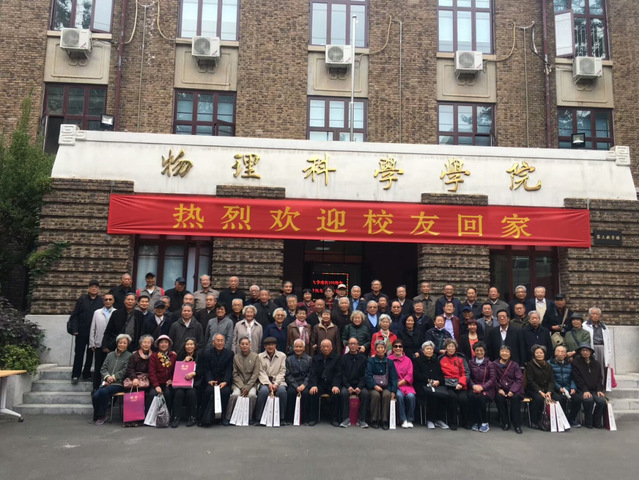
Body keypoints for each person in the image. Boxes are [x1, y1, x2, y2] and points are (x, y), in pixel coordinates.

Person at [91, 334, 132, 425]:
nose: (122, 345)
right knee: (95, 394)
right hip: (106, 382)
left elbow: (125, 370)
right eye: (120, 342)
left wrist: (113, 377)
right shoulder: (110, 355)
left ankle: (102, 415)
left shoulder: (129, 356)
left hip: (119, 384)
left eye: (124, 343)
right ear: (117, 343)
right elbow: (103, 368)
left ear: (127, 344)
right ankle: (96, 416)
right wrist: (107, 377)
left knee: (103, 392)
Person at [69, 279, 104, 384]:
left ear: (98, 289)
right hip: (81, 332)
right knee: (79, 354)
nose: (94, 289)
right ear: (88, 289)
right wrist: (75, 329)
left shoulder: (101, 301)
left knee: (90, 355)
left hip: (94, 333)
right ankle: (75, 375)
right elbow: (75, 315)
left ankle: (86, 374)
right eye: (92, 287)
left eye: (96, 287)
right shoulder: (82, 300)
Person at [413, 341, 450, 429]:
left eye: (431, 349)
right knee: (433, 396)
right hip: (422, 385)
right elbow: (417, 375)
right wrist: (429, 380)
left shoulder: (436, 361)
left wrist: (438, 381)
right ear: (423, 350)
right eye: (427, 349)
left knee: (444, 395)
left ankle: (439, 420)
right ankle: (430, 419)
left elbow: (441, 375)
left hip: (436, 385)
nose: (429, 351)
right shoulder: (417, 361)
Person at [199, 334, 234, 426]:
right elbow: (207, 369)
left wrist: (225, 381)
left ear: (224, 342)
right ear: (213, 342)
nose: (220, 343)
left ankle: (221, 417)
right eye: (218, 341)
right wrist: (210, 380)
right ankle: (204, 417)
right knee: (208, 391)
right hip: (211, 381)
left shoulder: (229, 354)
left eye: (221, 341)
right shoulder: (207, 353)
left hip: (223, 381)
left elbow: (229, 370)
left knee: (225, 392)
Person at [524, 344, 560, 429]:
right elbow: (530, 381)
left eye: (541, 353)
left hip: (546, 390)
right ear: (534, 354)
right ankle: (534, 421)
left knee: (558, 398)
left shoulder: (549, 366)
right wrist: (539, 391)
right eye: (537, 353)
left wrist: (549, 391)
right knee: (538, 399)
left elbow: (552, 380)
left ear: (544, 354)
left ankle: (554, 421)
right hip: (533, 390)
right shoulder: (530, 365)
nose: (539, 354)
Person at [226, 336, 260, 425]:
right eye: (242, 344)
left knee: (252, 395)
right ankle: (228, 417)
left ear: (250, 345)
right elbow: (235, 373)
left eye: (246, 344)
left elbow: (255, 373)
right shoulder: (236, 357)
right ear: (239, 345)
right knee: (235, 395)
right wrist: (242, 387)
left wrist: (247, 387)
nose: (244, 346)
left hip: (251, 384)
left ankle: (249, 417)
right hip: (238, 384)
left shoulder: (255, 356)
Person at [365, 339, 398, 430]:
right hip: (373, 387)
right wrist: (374, 386)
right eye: (378, 348)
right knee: (375, 395)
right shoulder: (371, 361)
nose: (380, 350)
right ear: (375, 350)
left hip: (386, 386)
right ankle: (374, 420)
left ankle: (385, 420)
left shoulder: (389, 362)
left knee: (387, 395)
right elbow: (368, 375)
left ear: (385, 349)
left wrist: (393, 391)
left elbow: (394, 378)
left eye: (382, 348)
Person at [572, 343, 606, 429]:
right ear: (580, 352)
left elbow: (600, 378)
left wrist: (599, 390)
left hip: (595, 389)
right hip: (582, 389)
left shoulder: (596, 363)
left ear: (591, 352)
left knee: (601, 401)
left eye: (587, 350)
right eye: (583, 350)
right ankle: (588, 421)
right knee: (588, 400)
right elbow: (577, 379)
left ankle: (596, 420)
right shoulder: (576, 363)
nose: (585, 352)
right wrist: (585, 390)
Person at [308, 339, 342, 426]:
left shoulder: (337, 358)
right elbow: (313, 373)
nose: (326, 348)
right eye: (324, 347)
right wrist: (314, 385)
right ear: (321, 348)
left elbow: (338, 373)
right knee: (313, 392)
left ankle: (334, 419)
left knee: (336, 394)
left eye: (327, 347)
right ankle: (313, 418)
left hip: (331, 384)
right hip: (320, 384)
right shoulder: (316, 358)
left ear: (331, 348)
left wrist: (335, 385)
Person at [255, 337, 287, 425]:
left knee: (282, 391)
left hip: (279, 381)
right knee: (263, 391)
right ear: (265, 346)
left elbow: (282, 371)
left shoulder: (282, 356)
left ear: (275, 346)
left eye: (272, 344)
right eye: (268, 345)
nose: (270, 347)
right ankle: (259, 418)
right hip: (265, 381)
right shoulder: (259, 356)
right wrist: (268, 383)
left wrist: (276, 383)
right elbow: (260, 371)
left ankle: (282, 418)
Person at [439, 338, 470, 430]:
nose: (451, 348)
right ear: (446, 348)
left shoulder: (461, 358)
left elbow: (466, 372)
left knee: (463, 399)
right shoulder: (441, 359)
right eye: (449, 346)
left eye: (453, 346)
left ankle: (465, 422)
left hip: (460, 384)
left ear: (456, 348)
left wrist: (461, 383)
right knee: (452, 398)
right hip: (447, 385)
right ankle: (452, 422)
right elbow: (439, 374)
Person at [493, 345, 524, 434]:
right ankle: (505, 422)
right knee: (499, 397)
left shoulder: (515, 365)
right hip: (501, 389)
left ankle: (517, 425)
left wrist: (512, 390)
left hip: (514, 389)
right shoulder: (494, 364)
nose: (504, 353)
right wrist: (499, 389)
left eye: (507, 352)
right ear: (499, 353)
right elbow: (493, 378)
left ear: (510, 354)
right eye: (502, 351)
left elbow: (519, 379)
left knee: (515, 398)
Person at [339, 337, 369, 428]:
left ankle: (362, 419)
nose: (352, 345)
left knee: (365, 394)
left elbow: (365, 375)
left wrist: (359, 387)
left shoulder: (363, 358)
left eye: (354, 344)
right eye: (350, 344)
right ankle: (345, 419)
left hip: (359, 384)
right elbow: (342, 375)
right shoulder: (343, 358)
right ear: (348, 345)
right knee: (343, 393)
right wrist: (348, 386)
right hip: (347, 384)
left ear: (358, 345)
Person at [549, 345, 581, 427]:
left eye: (562, 352)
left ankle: (571, 419)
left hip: (568, 388)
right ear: (555, 353)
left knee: (577, 399)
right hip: (555, 389)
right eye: (558, 351)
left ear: (566, 354)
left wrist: (573, 387)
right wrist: (558, 388)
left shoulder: (570, 364)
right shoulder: (549, 363)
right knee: (561, 399)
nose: (560, 354)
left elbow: (573, 377)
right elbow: (550, 379)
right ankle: (562, 420)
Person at [171, 338, 200, 428]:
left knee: (191, 393)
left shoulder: (199, 356)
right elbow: (176, 370)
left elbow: (203, 370)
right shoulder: (180, 356)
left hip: (194, 383)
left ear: (195, 346)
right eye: (187, 344)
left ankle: (192, 417)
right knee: (179, 393)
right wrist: (183, 362)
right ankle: (176, 417)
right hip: (181, 383)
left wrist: (194, 373)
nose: (189, 346)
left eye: (191, 344)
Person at [124, 334, 153, 422]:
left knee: (149, 392)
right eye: (144, 342)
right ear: (140, 344)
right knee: (132, 391)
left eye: (148, 342)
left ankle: (143, 417)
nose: (146, 344)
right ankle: (131, 418)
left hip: (148, 379)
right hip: (135, 378)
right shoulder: (134, 355)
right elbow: (130, 368)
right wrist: (134, 378)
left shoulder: (153, 355)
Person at [89, 293, 115, 391]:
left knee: (110, 368)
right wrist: (92, 343)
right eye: (106, 299)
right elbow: (93, 328)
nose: (108, 301)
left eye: (110, 299)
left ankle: (107, 388)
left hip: (111, 346)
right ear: (103, 301)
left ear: (113, 301)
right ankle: (95, 388)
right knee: (98, 367)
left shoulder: (116, 312)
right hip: (99, 344)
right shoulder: (97, 312)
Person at [468, 342, 495, 432]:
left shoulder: (490, 364)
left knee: (481, 398)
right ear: (474, 351)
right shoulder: (470, 363)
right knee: (471, 396)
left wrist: (482, 387)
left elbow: (492, 379)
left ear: (484, 351)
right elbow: (468, 377)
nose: (479, 352)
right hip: (474, 387)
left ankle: (484, 422)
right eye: (477, 350)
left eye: (481, 350)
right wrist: (473, 386)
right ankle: (476, 421)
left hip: (487, 389)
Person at [388, 340, 416, 428]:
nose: (398, 348)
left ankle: (410, 419)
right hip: (394, 386)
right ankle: (403, 419)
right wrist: (394, 384)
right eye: (395, 346)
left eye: (400, 346)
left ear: (403, 348)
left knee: (411, 397)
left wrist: (400, 383)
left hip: (406, 385)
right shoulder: (389, 359)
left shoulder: (408, 360)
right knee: (399, 396)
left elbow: (410, 374)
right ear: (393, 348)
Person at [284, 339, 313, 424]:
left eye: (300, 347)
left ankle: (305, 419)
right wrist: (296, 386)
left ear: (304, 348)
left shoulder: (309, 359)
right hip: (293, 383)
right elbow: (288, 374)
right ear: (293, 348)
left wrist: (304, 384)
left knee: (306, 393)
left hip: (304, 383)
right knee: (291, 393)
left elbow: (310, 374)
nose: (298, 349)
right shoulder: (289, 359)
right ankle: (290, 419)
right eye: (296, 347)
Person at [583, 306, 613, 380]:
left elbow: (608, 341)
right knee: (592, 366)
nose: (595, 316)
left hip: (602, 348)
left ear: (600, 316)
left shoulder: (604, 327)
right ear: (590, 315)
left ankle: (601, 383)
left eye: (597, 314)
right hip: (591, 347)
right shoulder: (585, 325)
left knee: (601, 367)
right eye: (593, 314)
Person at [147, 334, 176, 413]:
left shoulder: (173, 356)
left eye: (166, 342)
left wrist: (172, 379)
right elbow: (152, 372)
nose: (164, 344)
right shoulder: (154, 356)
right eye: (161, 342)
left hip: (167, 383)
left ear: (169, 344)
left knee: (168, 394)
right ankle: (150, 416)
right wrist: (156, 385)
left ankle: (168, 415)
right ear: (158, 344)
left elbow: (175, 370)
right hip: (156, 383)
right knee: (152, 394)